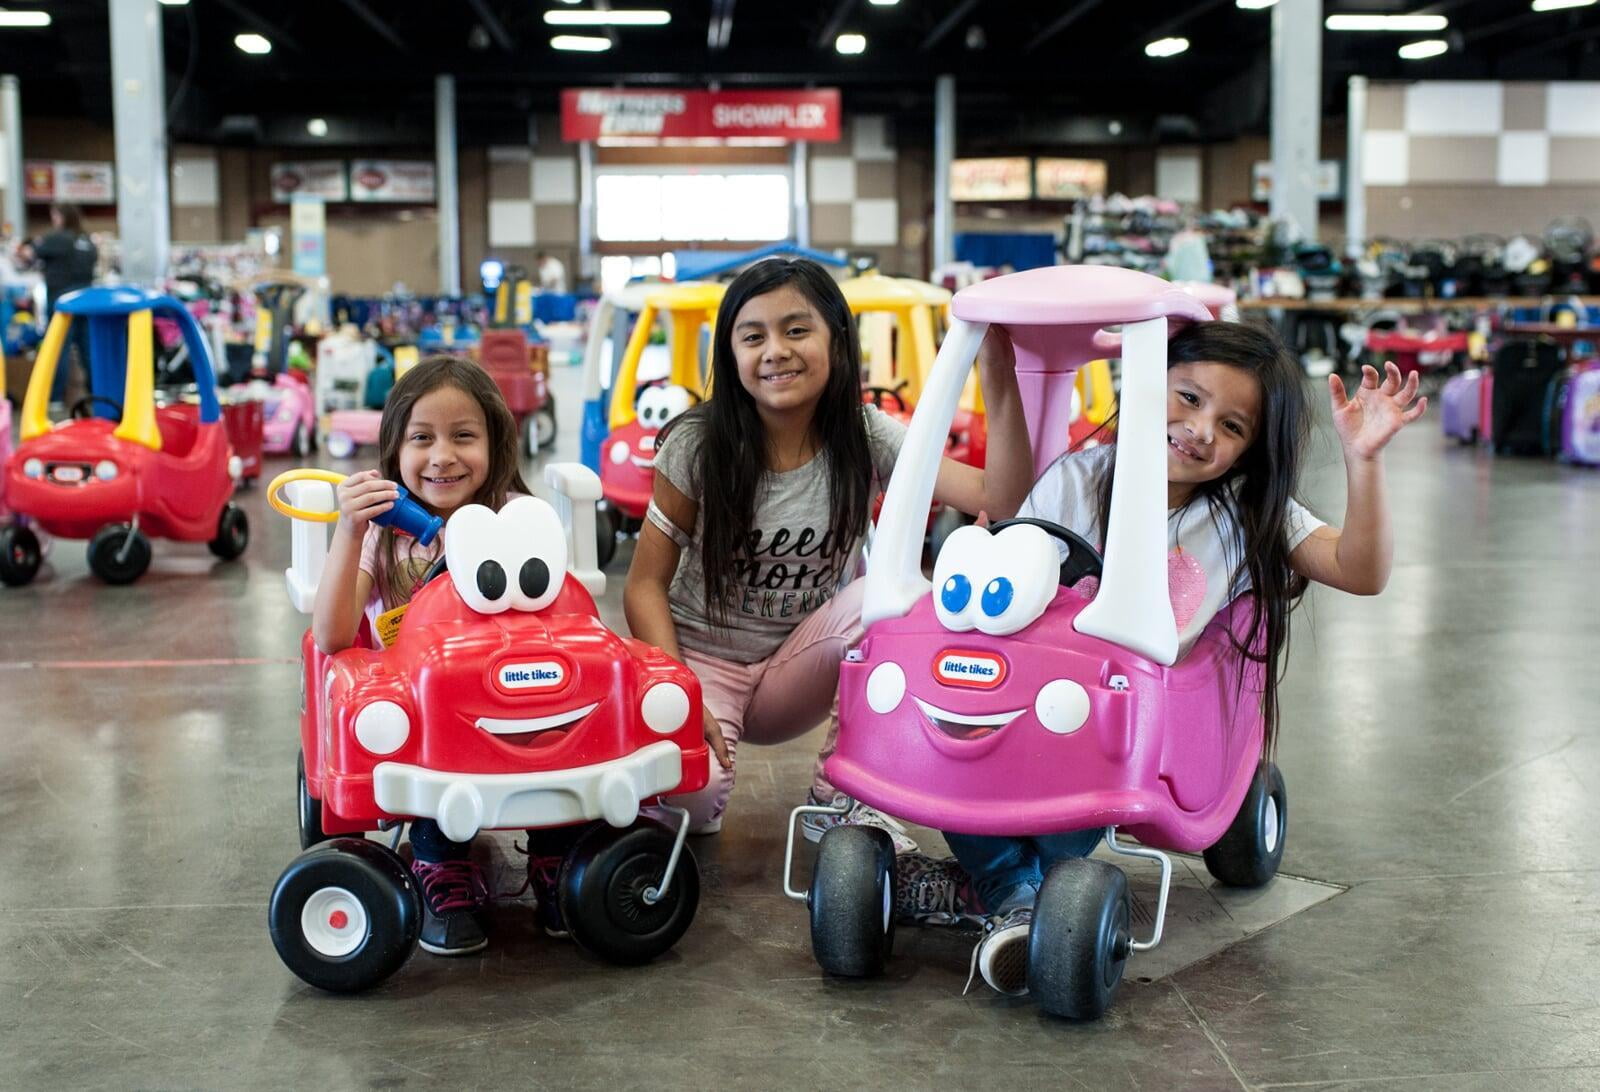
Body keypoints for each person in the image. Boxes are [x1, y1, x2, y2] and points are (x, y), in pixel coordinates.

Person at [902, 320, 1427, 997]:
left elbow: (1361, 570)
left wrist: (1366, 462)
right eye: (1187, 397)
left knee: (1098, 739)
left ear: (1249, 451)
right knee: (959, 736)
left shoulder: (1246, 513)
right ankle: (1009, 896)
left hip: (1138, 724)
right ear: (1149, 386)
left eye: (1233, 426)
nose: (1203, 429)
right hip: (1042, 697)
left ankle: (1004, 896)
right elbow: (1022, 582)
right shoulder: (1078, 479)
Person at [623, 257, 1033, 847]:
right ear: (731, 355)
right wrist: (677, 691)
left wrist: (998, 372)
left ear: (837, 343)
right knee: (691, 806)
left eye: (796, 330)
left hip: (799, 664)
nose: (775, 351)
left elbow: (999, 498)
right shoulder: (697, 443)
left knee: (893, 594)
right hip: (702, 664)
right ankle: (697, 776)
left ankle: (837, 797)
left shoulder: (863, 433)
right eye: (753, 336)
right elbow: (642, 586)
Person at [312, 355, 533, 956]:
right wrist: (350, 531)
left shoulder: (515, 518)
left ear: (496, 443)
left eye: (464, 436)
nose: (442, 456)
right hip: (425, 706)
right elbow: (331, 637)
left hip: (509, 690)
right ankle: (439, 863)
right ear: (394, 449)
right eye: (422, 438)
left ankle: (560, 852)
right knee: (429, 737)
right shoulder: (384, 535)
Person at [21, 204, 97, 406]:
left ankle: (55, 398)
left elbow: (29, 253)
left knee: (58, 349)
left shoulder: (58, 238)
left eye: (54, 215)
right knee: (87, 350)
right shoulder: (87, 241)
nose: (53, 219)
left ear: (62, 217)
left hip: (63, 302)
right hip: (86, 300)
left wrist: (32, 246)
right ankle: (97, 395)